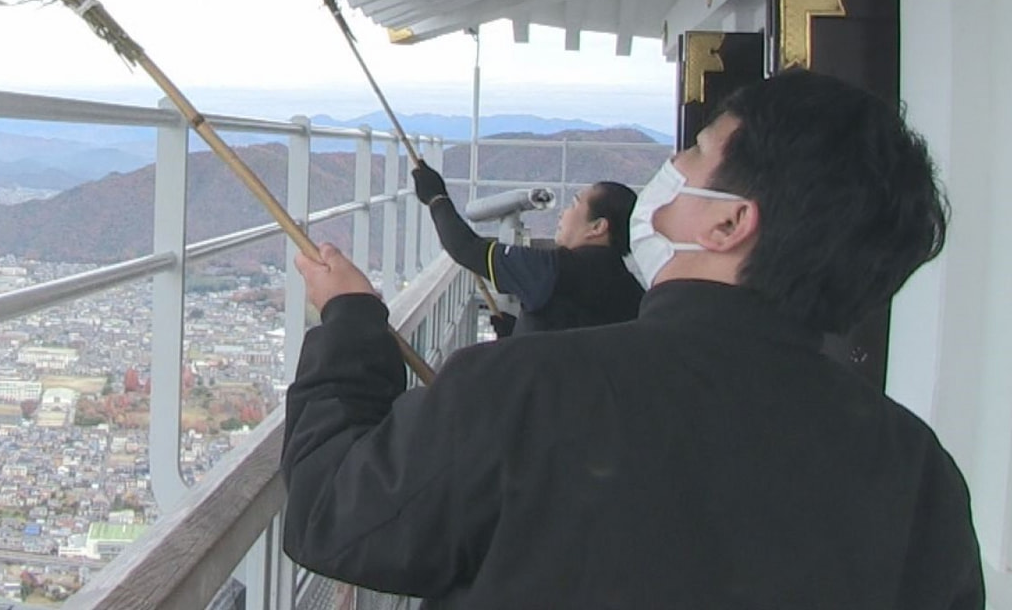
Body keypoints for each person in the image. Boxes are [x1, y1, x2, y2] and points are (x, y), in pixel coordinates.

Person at [281, 69, 982, 609]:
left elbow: (331, 513)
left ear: (730, 224)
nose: (671, 169)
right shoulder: (920, 476)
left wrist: (349, 324)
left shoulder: (524, 391)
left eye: (696, 154)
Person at [411, 162, 642, 335]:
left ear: (598, 227)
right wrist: (519, 335)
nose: (563, 213)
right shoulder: (632, 291)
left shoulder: (553, 270)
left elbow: (465, 248)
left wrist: (436, 198)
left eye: (574, 204)